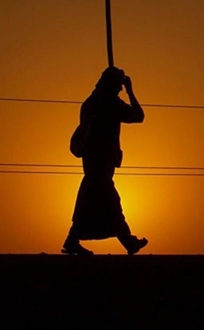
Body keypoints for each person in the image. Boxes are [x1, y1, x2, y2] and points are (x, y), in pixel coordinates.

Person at [62, 66, 148, 255]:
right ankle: (128, 241)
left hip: (94, 161)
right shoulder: (109, 104)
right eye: (118, 85)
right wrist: (130, 91)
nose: (120, 89)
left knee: (92, 202)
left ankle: (73, 239)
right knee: (110, 202)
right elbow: (138, 115)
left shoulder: (90, 103)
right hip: (100, 161)